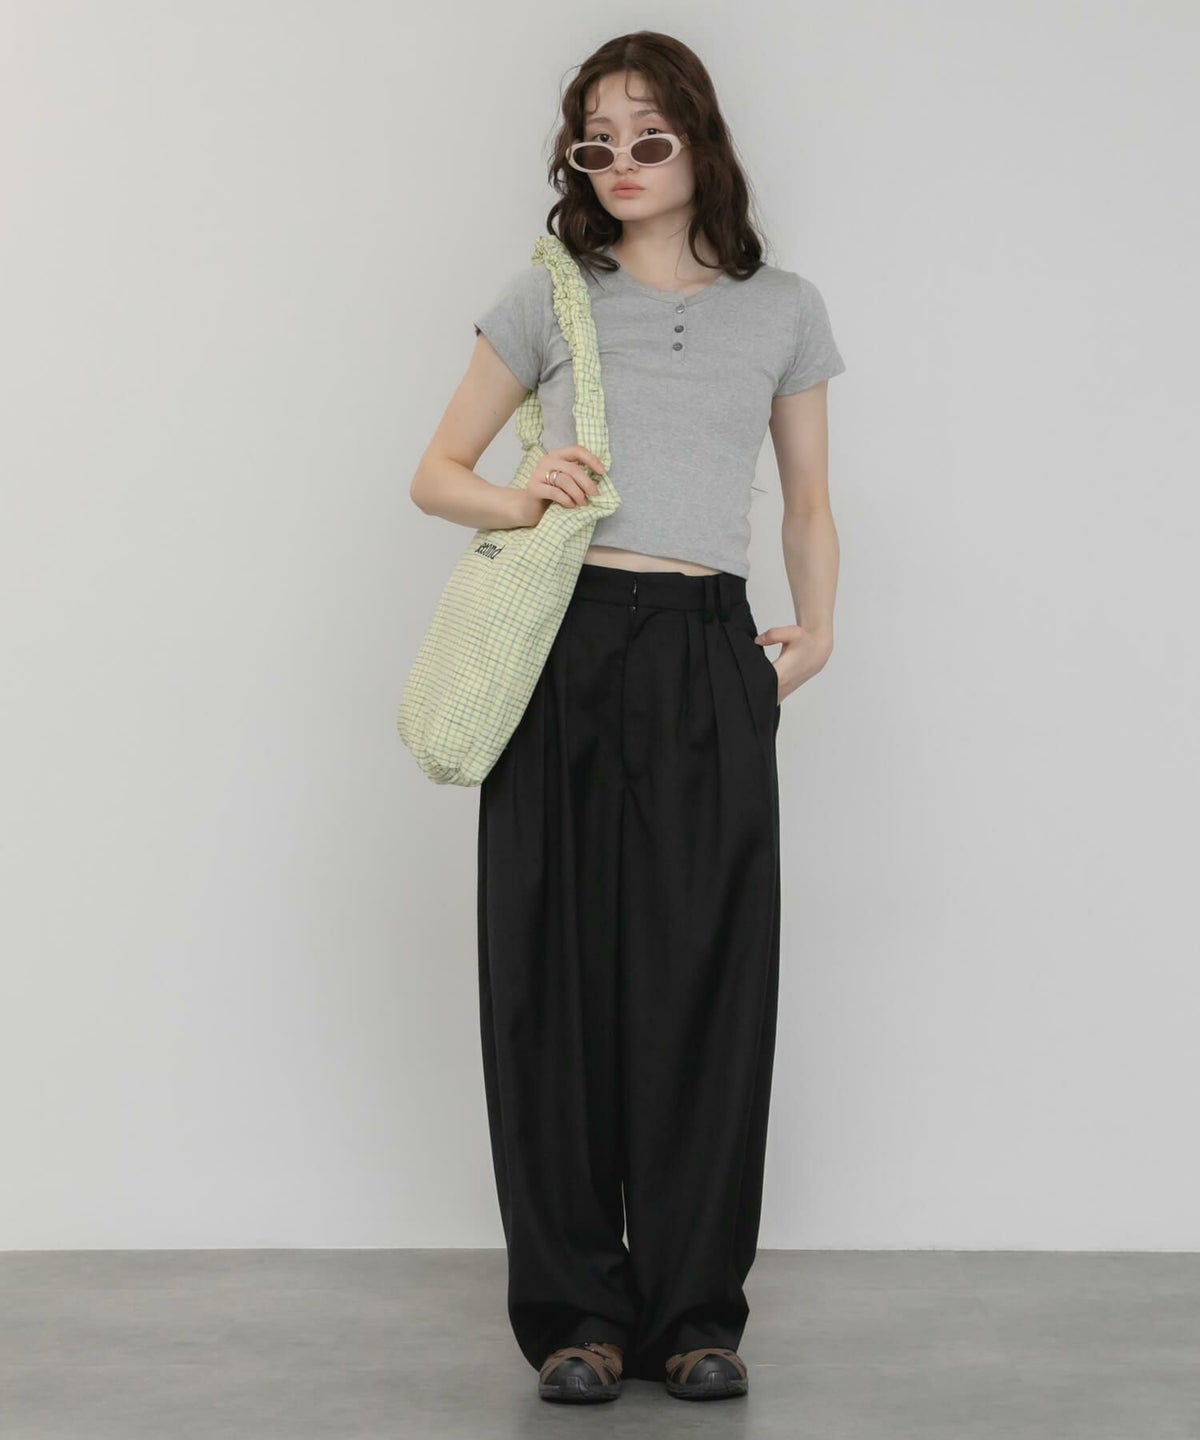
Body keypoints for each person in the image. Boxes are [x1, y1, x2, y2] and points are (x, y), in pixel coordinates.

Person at [410, 30, 846, 1404]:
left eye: (647, 135)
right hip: (565, 641)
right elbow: (437, 472)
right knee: (550, 973)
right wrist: (524, 489)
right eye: (594, 142)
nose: (620, 162)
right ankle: (578, 1320)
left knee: (709, 973)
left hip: (712, 646)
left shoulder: (783, 309)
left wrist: (817, 629)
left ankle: (696, 1312)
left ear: (700, 141)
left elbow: (809, 500)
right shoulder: (548, 296)